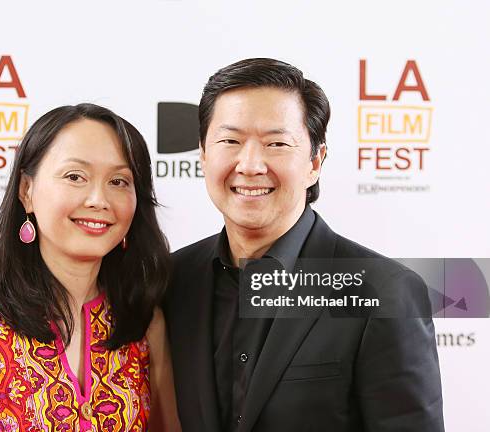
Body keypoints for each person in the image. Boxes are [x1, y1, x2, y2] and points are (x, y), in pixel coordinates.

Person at [164, 58, 444, 431]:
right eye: (230, 141)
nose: (250, 164)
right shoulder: (173, 280)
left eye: (276, 143)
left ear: (315, 160)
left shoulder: (383, 291)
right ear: (202, 154)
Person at [0, 103, 181, 432]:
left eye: (119, 181)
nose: (99, 200)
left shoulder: (143, 322)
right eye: (75, 177)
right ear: (26, 191)